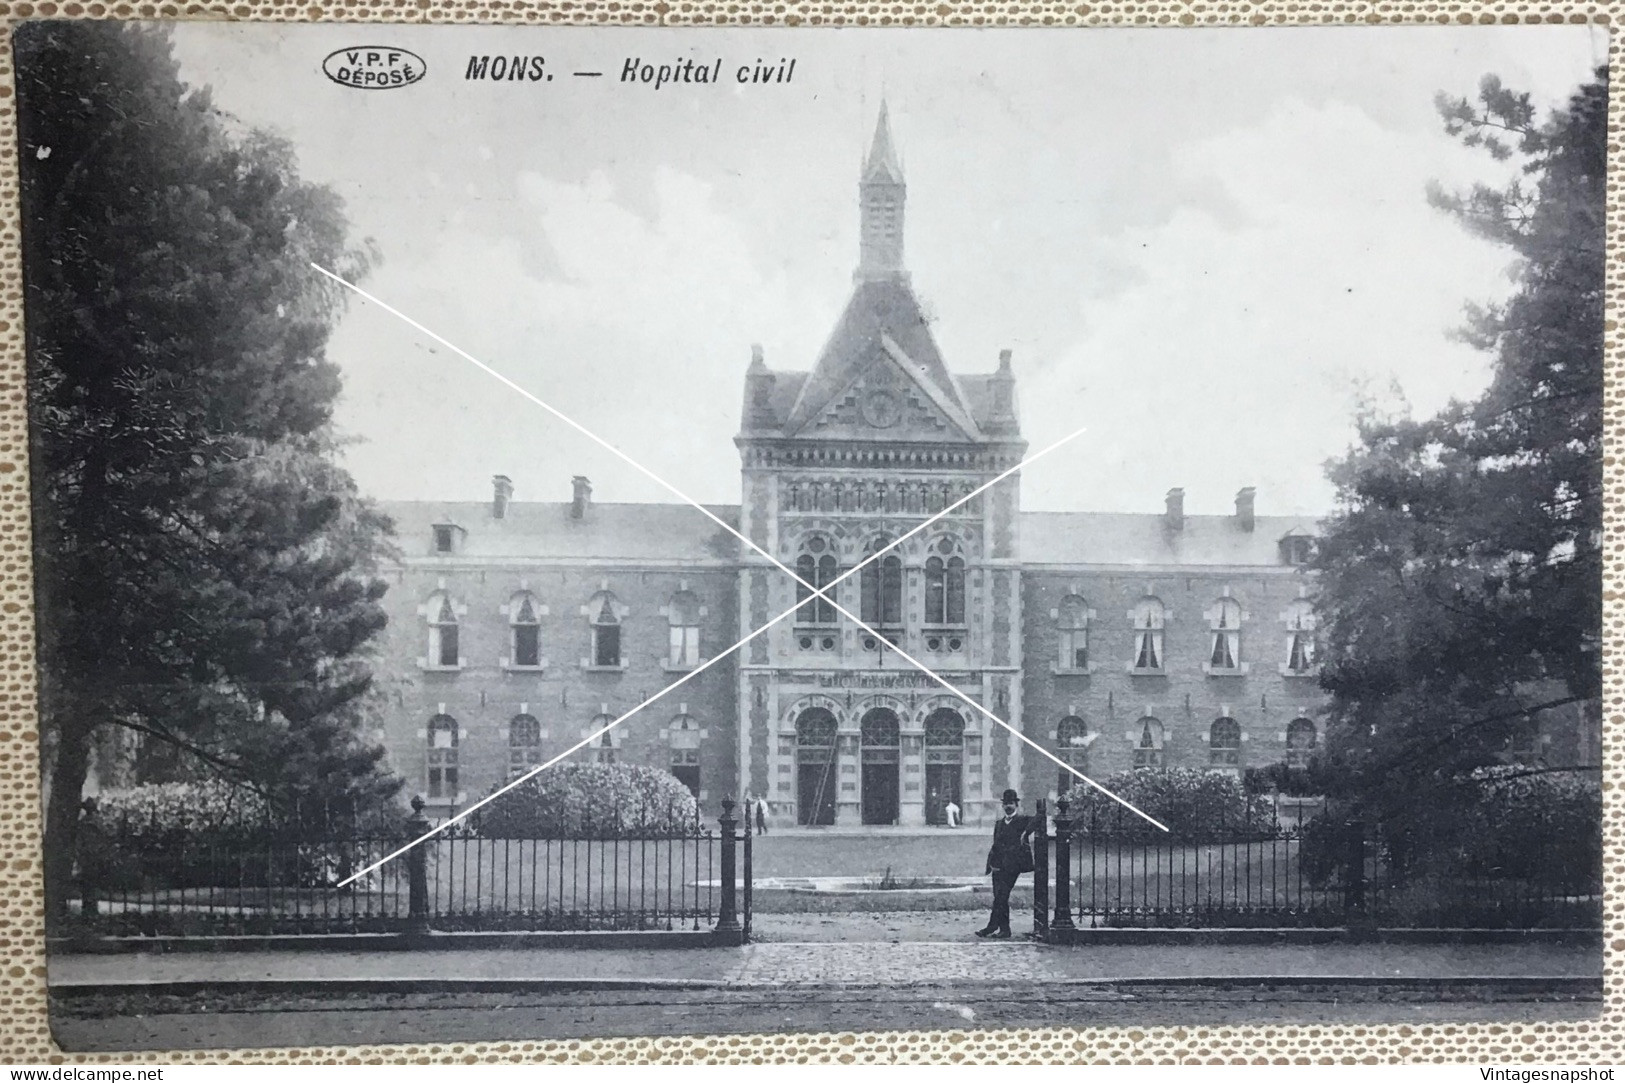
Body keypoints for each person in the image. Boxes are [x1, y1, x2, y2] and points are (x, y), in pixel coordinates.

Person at [976, 789, 1035, 939]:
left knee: (1001, 896)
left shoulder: (1022, 821)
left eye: (1011, 803)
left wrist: (1025, 833)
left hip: (1012, 867)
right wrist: (992, 864)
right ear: (1003, 806)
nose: (1008, 806)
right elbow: (996, 845)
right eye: (1006, 804)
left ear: (1016, 805)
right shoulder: (999, 824)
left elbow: (1039, 818)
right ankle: (1003, 929)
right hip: (998, 866)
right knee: (999, 897)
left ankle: (993, 927)